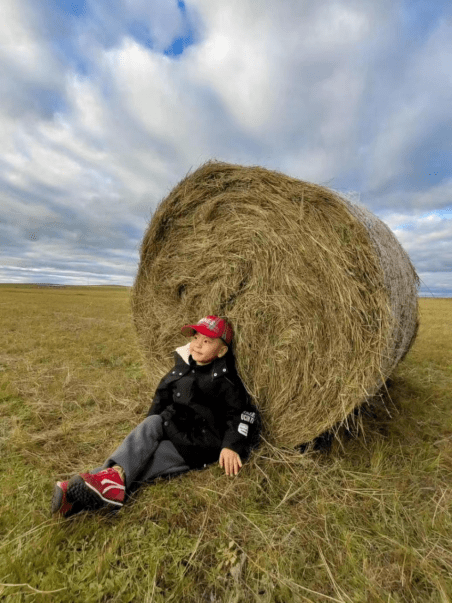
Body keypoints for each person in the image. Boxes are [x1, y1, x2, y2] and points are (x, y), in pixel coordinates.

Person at [51, 315, 261, 518]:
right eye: (195, 338)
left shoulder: (226, 381)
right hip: (170, 424)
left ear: (222, 350)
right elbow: (161, 396)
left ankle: (77, 497)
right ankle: (106, 481)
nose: (197, 344)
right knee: (149, 427)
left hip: (194, 443)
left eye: (207, 341)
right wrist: (146, 432)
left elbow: (242, 413)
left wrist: (231, 445)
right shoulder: (182, 367)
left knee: (150, 459)